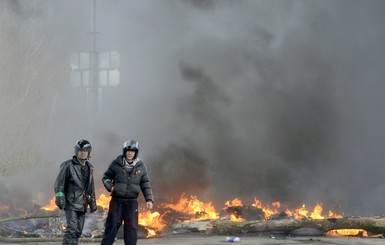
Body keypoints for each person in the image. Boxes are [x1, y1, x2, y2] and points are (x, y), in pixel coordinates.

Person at [101, 140, 154, 245]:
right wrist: (111, 187)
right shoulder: (116, 164)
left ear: (136, 153)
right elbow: (106, 178)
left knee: (132, 229)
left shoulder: (140, 166)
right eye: (128, 151)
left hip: (132, 202)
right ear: (124, 151)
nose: (130, 153)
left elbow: (145, 184)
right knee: (112, 227)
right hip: (117, 201)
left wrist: (149, 199)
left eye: (133, 151)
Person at [54, 139, 97, 245]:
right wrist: (60, 198)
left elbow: (91, 188)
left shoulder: (90, 167)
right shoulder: (68, 165)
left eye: (85, 150)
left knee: (78, 231)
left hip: (83, 203)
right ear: (76, 151)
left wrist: (93, 204)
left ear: (88, 152)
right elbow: (59, 183)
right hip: (71, 202)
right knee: (72, 229)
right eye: (80, 150)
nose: (83, 152)